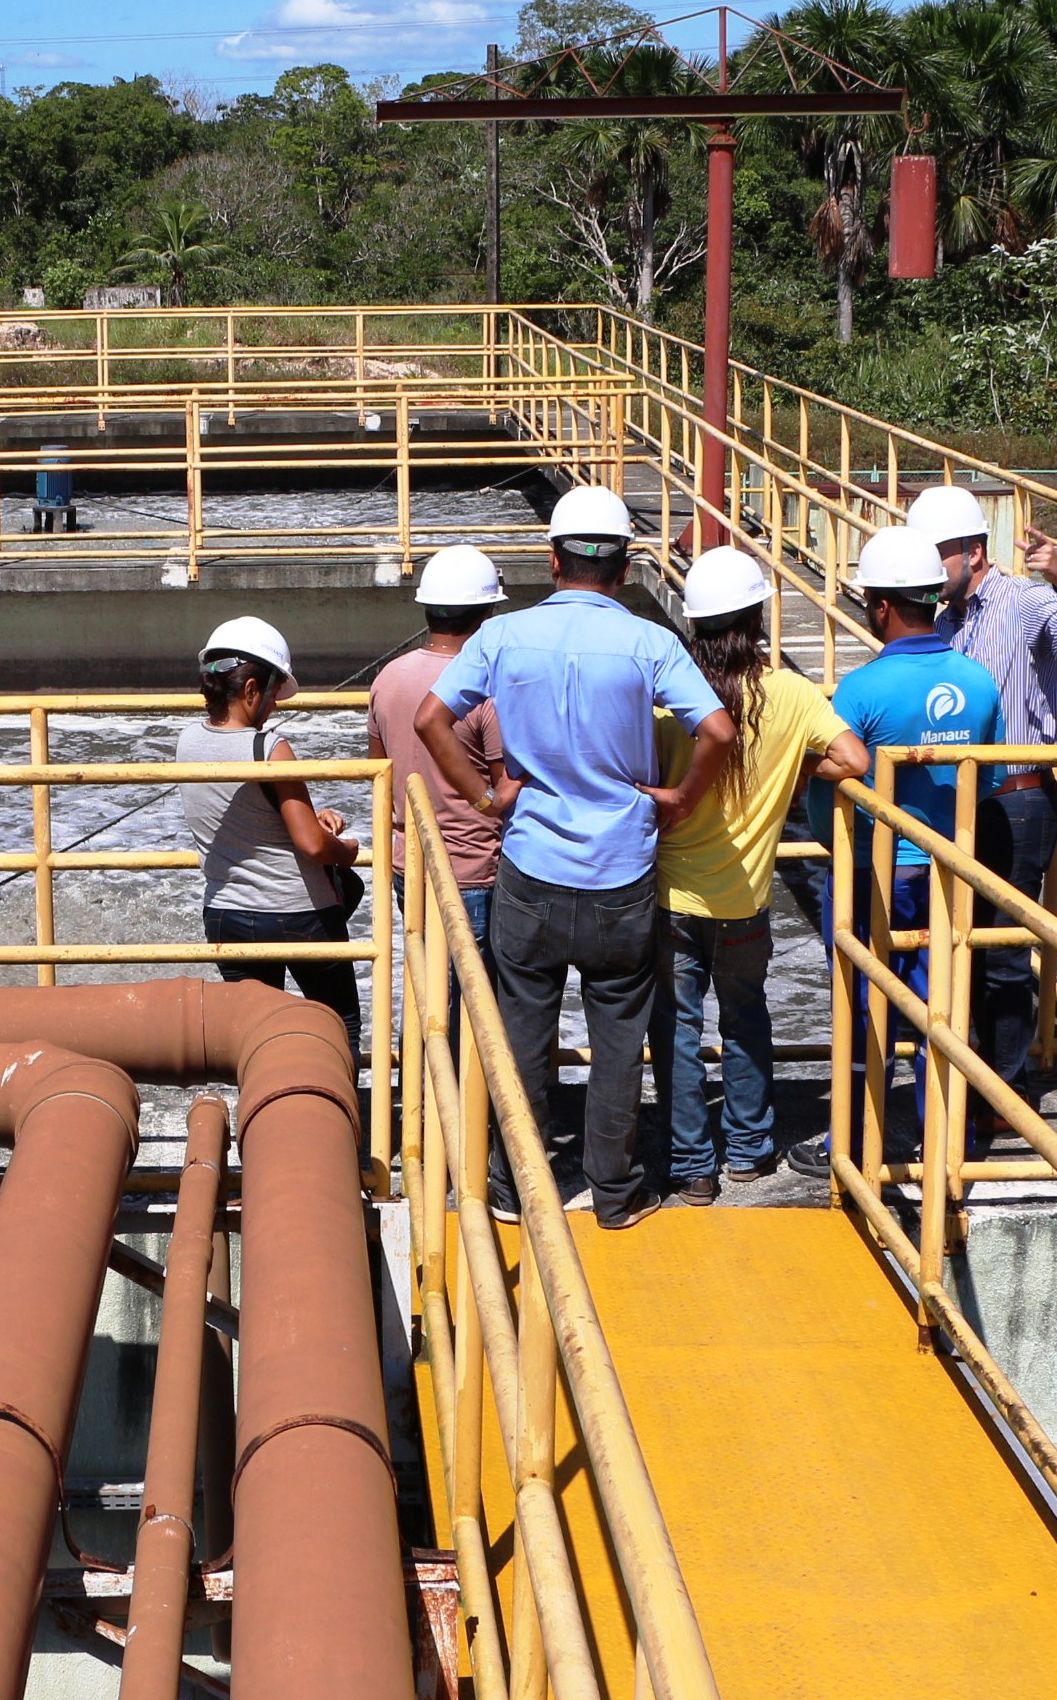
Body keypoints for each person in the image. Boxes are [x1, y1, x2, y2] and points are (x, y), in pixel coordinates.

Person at [416, 486, 736, 1231]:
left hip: (530, 867)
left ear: (553, 559)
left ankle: (516, 1184)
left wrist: (488, 797)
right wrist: (681, 798)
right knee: (619, 1036)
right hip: (621, 871)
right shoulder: (649, 641)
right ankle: (617, 1192)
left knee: (523, 1031)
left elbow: (432, 719)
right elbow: (717, 730)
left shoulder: (502, 638)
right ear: (623, 569)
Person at [651, 547, 867, 1202]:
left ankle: (692, 1166)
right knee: (745, 1019)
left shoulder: (671, 696)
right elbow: (854, 758)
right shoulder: (794, 695)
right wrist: (796, 773)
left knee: (677, 1028)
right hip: (745, 897)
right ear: (757, 616)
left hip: (670, 894)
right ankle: (748, 1150)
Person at [790, 524, 1001, 1179]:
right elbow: (985, 779)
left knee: (860, 1008)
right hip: (948, 869)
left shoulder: (861, 690)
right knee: (943, 1007)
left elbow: (833, 775)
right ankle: (954, 1137)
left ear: (880, 605)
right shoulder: (978, 680)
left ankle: (853, 1137)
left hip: (870, 874)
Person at [913, 482, 1057, 1101]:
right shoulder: (943, 620)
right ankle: (971, 1076)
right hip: (958, 798)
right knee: (962, 945)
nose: (926, 568)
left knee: (1000, 953)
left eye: (935, 553)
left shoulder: (1022, 600)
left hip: (1016, 799)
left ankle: (1006, 1093)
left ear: (972, 551)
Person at [179, 615, 363, 1045]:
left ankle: (262, 1110)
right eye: (274, 692)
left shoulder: (187, 741)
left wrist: (310, 819)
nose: (276, 704)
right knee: (340, 1027)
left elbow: (250, 817)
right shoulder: (269, 747)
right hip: (297, 913)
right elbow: (313, 847)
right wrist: (347, 848)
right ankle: (342, 1112)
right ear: (249, 691)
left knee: (256, 1036)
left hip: (226, 916)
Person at [366, 545, 511, 948]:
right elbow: (504, 791)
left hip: (408, 864)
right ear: (487, 614)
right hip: (473, 872)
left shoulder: (388, 677)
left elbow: (377, 774)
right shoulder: (486, 687)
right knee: (471, 1004)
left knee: (425, 994)